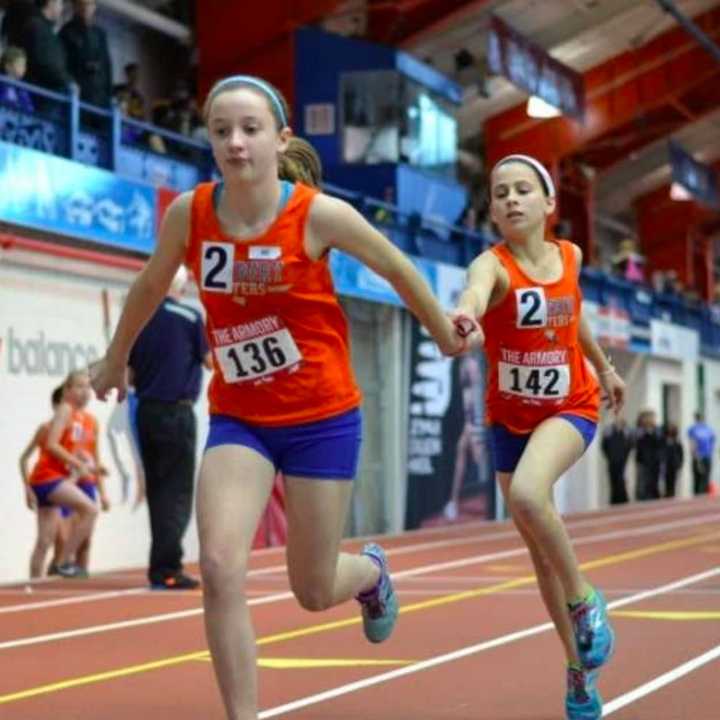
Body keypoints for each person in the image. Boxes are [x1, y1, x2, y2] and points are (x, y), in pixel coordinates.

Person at [90, 73, 465, 720]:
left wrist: (444, 333)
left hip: (322, 418)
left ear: (279, 138)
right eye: (221, 131)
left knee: (314, 589)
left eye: (250, 129)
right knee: (217, 562)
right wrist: (114, 356)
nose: (235, 143)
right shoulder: (192, 213)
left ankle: (371, 575)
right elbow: (151, 286)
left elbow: (399, 267)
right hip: (243, 419)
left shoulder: (317, 214)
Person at [450, 154, 625, 720]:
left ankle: (585, 600)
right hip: (509, 421)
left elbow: (573, 318)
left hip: (570, 406)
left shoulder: (569, 256)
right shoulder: (492, 265)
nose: (511, 199)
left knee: (527, 495)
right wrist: (467, 313)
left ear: (549, 204)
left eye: (523, 190)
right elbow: (475, 292)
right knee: (539, 555)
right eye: (500, 193)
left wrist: (603, 369)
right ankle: (578, 671)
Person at [128, 265, 210, 590]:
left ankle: (160, 565)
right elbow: (210, 362)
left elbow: (131, 375)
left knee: (159, 491)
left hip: (146, 411)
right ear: (183, 284)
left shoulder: (139, 320)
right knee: (177, 493)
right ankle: (167, 567)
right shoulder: (190, 318)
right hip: (177, 412)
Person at [23, 369, 100, 578]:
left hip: (52, 478)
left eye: (88, 387)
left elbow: (66, 450)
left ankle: (35, 584)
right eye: (80, 387)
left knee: (45, 541)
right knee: (90, 510)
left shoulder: (80, 418)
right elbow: (51, 444)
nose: (85, 392)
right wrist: (77, 463)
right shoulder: (66, 409)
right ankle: (62, 562)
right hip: (46, 478)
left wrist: (87, 465)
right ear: (67, 390)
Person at [19, 384, 70, 576]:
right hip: (46, 483)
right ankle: (35, 583)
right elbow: (24, 458)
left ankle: (51, 577)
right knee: (45, 540)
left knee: (63, 539)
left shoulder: (72, 430)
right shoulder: (46, 429)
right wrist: (27, 489)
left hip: (63, 485)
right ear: (56, 406)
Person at [59, 0, 112, 108]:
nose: (86, 8)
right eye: (82, 4)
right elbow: (62, 66)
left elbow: (107, 66)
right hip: (79, 97)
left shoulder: (100, 34)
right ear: (75, 6)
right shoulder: (66, 32)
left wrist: (109, 95)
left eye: (89, 4)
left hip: (100, 98)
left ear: (94, 7)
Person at [600, 416, 633, 504]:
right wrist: (609, 456)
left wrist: (625, 457)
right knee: (613, 480)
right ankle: (614, 499)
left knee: (621, 479)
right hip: (612, 460)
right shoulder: (609, 432)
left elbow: (630, 445)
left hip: (622, 460)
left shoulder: (626, 432)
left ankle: (623, 498)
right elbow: (604, 446)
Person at [634, 409, 664, 501]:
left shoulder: (658, 431)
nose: (650, 420)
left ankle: (654, 496)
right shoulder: (639, 431)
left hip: (655, 460)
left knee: (654, 481)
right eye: (648, 418)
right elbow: (636, 442)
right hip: (643, 461)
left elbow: (661, 443)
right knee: (643, 482)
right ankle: (643, 497)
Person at [0, 45, 34, 113]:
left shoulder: (21, 88)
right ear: (8, 66)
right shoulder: (2, 83)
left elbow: (29, 107)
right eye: (20, 65)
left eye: (24, 65)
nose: (24, 68)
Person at [687, 412, 715, 495]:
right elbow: (692, 443)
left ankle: (704, 495)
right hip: (699, 456)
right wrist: (695, 454)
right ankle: (698, 496)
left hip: (706, 456)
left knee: (705, 477)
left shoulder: (708, 429)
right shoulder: (693, 429)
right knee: (698, 479)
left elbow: (712, 441)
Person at [663, 423, 684, 498]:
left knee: (673, 480)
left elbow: (681, 453)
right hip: (666, 463)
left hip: (674, 464)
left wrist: (680, 463)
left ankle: (672, 493)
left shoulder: (677, 441)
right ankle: (667, 493)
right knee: (666, 480)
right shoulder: (664, 440)